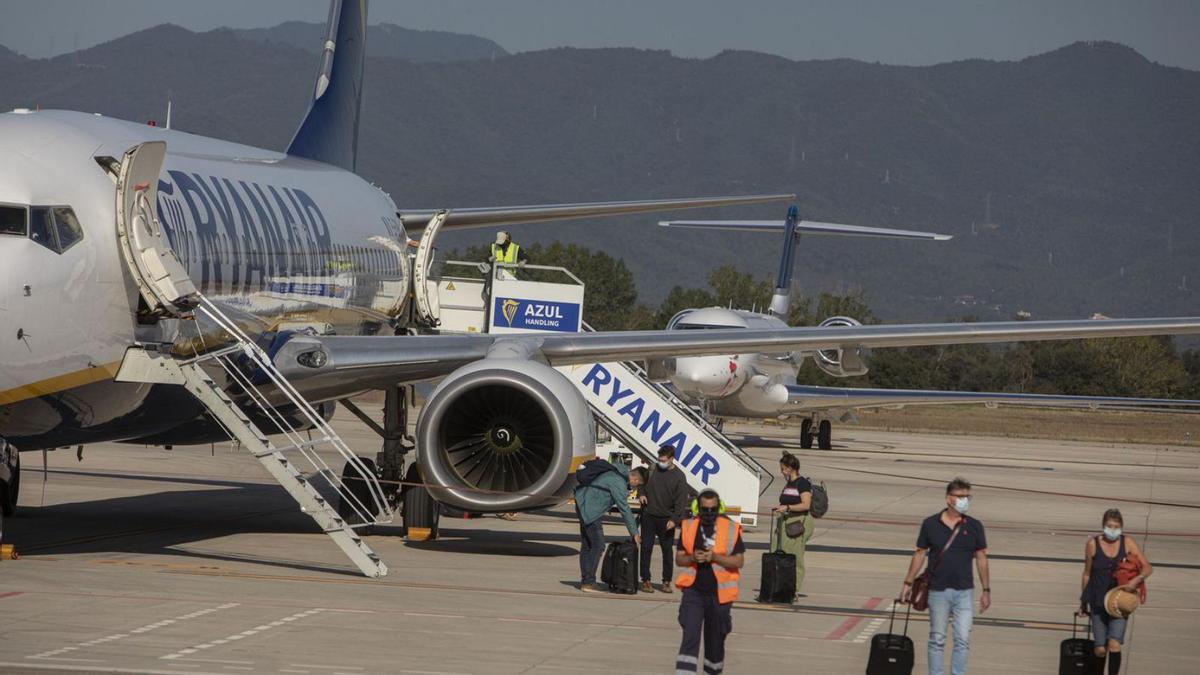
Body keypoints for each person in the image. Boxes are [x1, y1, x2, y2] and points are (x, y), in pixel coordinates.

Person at [900, 477, 990, 675]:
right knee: (937, 639)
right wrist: (907, 583)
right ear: (949, 499)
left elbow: (981, 558)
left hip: (964, 591)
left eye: (967, 496)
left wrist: (986, 590)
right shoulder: (930, 524)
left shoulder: (974, 526)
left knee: (962, 639)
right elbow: (920, 554)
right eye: (961, 496)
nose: (965, 500)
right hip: (938, 590)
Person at [674, 488, 745, 675]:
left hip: (719, 595)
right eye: (705, 510)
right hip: (693, 592)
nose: (709, 514)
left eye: (713, 510)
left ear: (719, 508)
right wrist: (692, 558)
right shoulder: (689, 526)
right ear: (698, 508)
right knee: (690, 637)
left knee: (715, 644)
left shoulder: (730, 528)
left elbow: (739, 561)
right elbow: (679, 558)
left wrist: (715, 557)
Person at [1078, 508, 1152, 675]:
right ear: (1103, 526)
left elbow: (1148, 568)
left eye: (1116, 526)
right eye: (1109, 526)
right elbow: (1087, 573)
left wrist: (1136, 579)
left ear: (1121, 527)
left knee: (1114, 644)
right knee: (1100, 649)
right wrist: (1083, 601)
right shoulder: (1092, 544)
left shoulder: (1128, 542)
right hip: (1097, 600)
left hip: (1120, 601)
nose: (1112, 530)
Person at [574, 460, 642, 593]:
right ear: (634, 478)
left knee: (588, 544)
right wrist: (634, 532)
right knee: (598, 545)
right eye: (637, 484)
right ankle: (588, 582)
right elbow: (624, 509)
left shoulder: (616, 471)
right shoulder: (618, 482)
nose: (635, 487)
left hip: (583, 503)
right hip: (590, 510)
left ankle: (586, 580)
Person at [638, 444, 691, 593]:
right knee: (646, 548)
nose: (660, 462)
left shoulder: (679, 477)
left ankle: (666, 581)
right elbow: (641, 482)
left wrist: (674, 520)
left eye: (663, 460)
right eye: (659, 459)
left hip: (666, 520)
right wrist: (641, 493)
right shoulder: (653, 469)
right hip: (649, 516)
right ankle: (646, 580)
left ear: (671, 459)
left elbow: (681, 502)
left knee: (667, 551)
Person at [772, 450, 814, 601]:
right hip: (785, 521)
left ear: (790, 468)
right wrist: (781, 507)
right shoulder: (789, 483)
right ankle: (780, 586)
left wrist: (787, 508)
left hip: (798, 522)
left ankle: (794, 589)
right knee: (778, 553)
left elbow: (806, 505)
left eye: (782, 469)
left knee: (795, 556)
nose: (781, 472)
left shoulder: (802, 483)